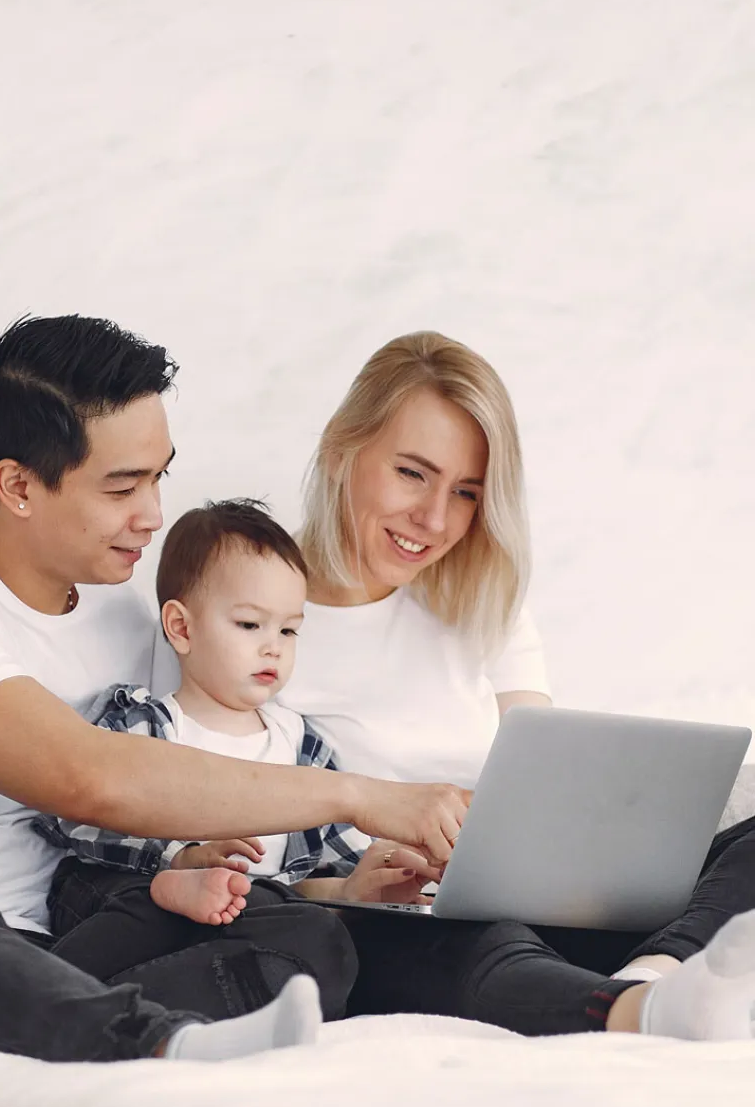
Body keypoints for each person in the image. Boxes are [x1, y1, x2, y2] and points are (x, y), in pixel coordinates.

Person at [0, 315, 469, 1064]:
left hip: (66, 949)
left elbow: (179, 773)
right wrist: (359, 795)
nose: (152, 516)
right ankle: (154, 1038)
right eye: (121, 487)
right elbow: (92, 779)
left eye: (158, 476)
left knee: (306, 934)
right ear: (17, 485)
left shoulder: (124, 616)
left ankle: (130, 1027)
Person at [278, 329, 755, 1041]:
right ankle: (627, 1014)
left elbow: (547, 786)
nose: (435, 520)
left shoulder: (484, 606)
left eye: (466, 492)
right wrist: (345, 886)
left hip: (533, 910)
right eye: (413, 473)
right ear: (342, 450)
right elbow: (225, 856)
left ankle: (655, 975)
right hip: (381, 921)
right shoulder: (252, 618)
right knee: (474, 939)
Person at [40, 500, 427, 1022]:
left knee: (290, 915)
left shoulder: (301, 748)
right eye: (249, 625)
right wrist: (176, 862)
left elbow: (302, 883)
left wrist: (351, 889)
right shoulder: (148, 723)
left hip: (226, 925)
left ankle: (156, 1002)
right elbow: (71, 814)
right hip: (123, 907)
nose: (273, 648)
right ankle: (163, 898)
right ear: (181, 628)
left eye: (288, 631)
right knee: (103, 884)